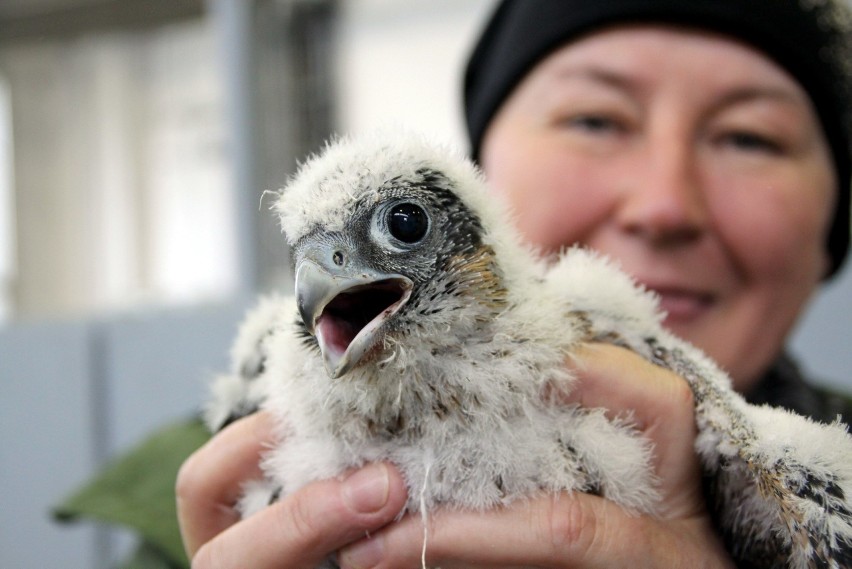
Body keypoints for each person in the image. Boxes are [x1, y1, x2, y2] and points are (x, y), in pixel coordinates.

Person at [67, 0, 852, 567]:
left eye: (750, 136)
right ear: (485, 175)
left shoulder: (825, 478)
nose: (664, 205)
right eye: (596, 119)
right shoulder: (214, 486)